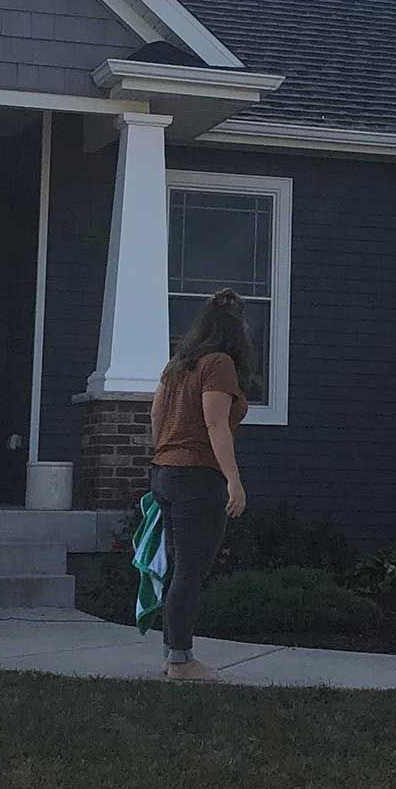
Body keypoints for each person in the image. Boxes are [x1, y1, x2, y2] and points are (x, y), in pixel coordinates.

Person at [147, 287, 251, 681]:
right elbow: (215, 424)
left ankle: (172, 653)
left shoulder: (177, 364)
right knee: (191, 571)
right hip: (197, 478)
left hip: (166, 473)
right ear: (234, 330)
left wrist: (164, 454)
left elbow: (156, 413)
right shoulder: (219, 364)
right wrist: (233, 480)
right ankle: (180, 661)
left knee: (179, 569)